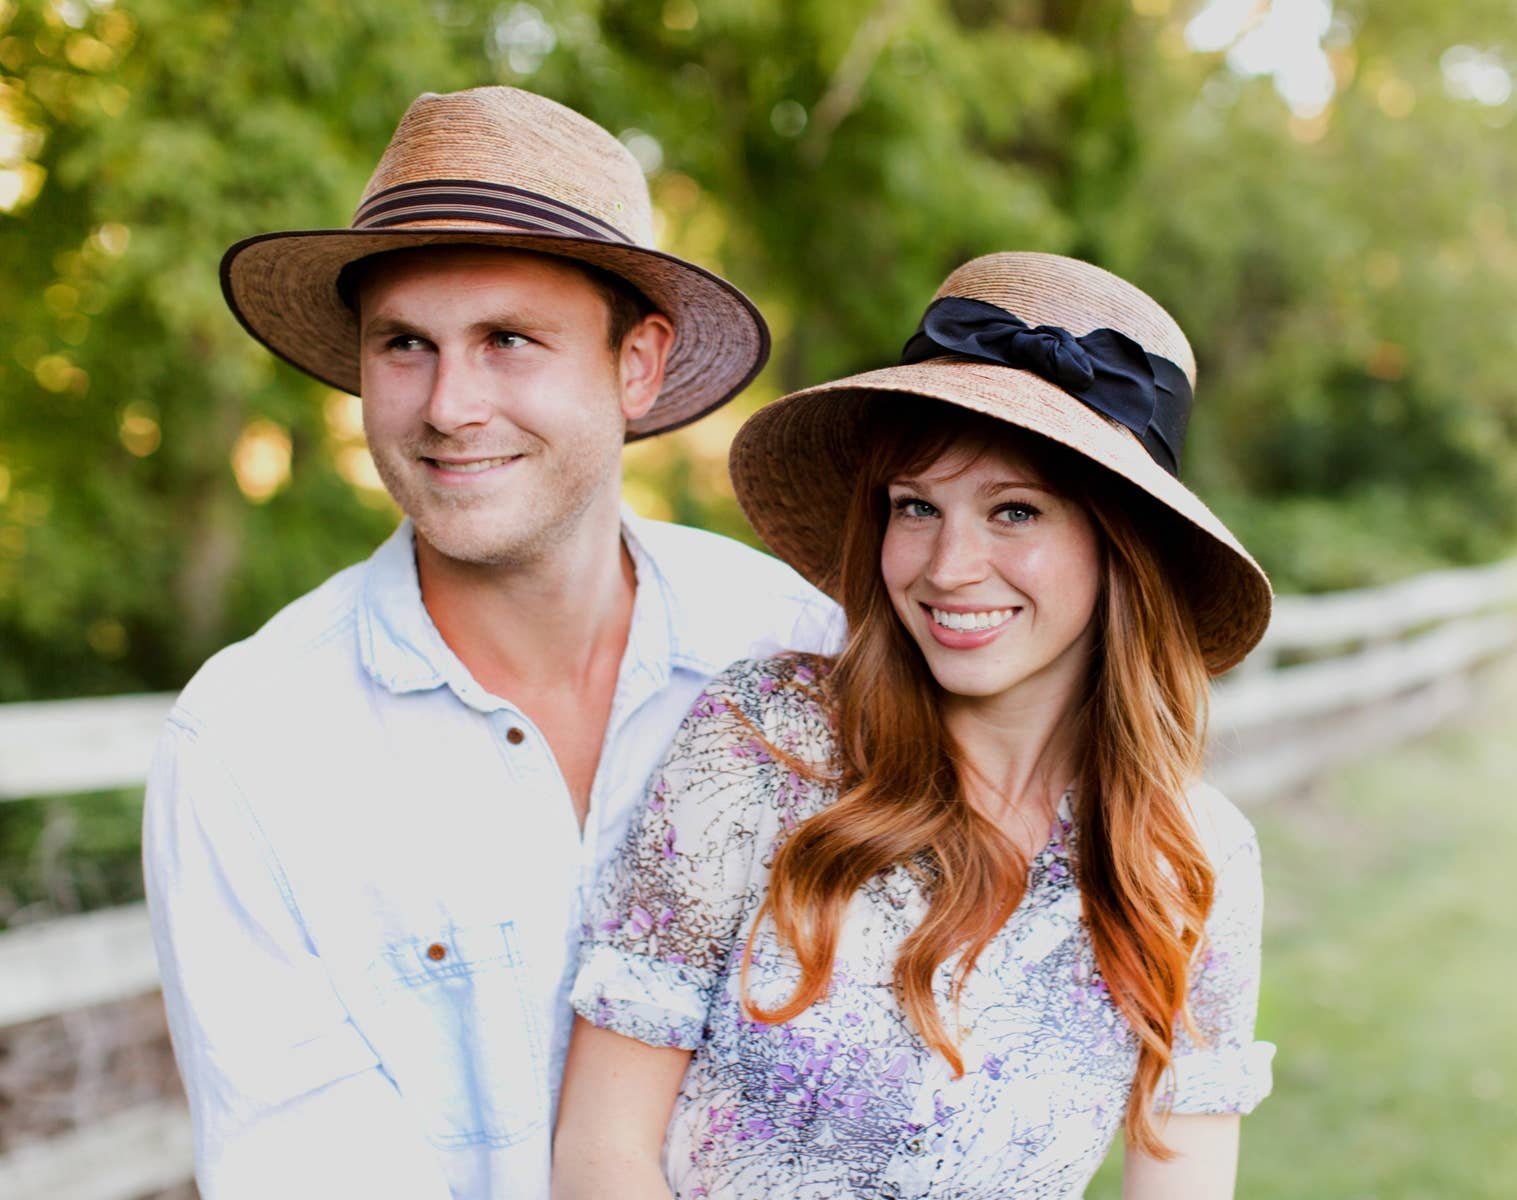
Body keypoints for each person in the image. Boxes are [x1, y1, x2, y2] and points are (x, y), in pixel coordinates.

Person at [142, 86, 839, 1200]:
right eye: (404, 345)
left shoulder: (796, 657)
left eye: (508, 340)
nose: (448, 405)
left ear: (637, 365)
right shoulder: (248, 751)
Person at [553, 252, 1276, 1199]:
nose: (948, 567)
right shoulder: (763, 741)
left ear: (1120, 549)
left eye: (1015, 511)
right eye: (916, 507)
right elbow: (600, 1151)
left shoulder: (1193, 861)